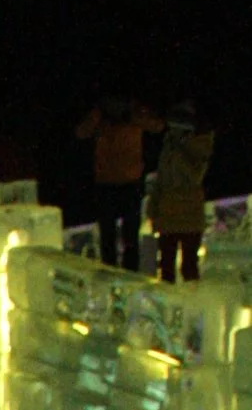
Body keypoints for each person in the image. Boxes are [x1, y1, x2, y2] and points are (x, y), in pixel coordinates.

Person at [73, 96, 159, 269]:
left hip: (130, 182)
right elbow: (81, 133)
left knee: (130, 238)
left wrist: (130, 116)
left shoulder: (135, 110)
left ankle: (130, 276)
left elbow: (157, 126)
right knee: (108, 238)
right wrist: (99, 116)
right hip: (107, 184)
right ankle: (109, 274)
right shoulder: (99, 113)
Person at [146, 101, 216, 281]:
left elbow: (194, 176)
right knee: (167, 266)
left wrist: (179, 148)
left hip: (188, 213)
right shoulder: (169, 144)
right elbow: (162, 177)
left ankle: (193, 305)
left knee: (189, 266)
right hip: (169, 213)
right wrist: (153, 209)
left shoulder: (200, 146)